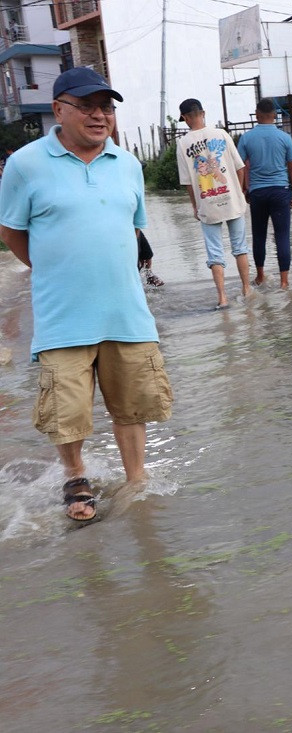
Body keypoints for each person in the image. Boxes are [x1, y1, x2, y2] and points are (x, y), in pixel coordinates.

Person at [0, 67, 173, 521]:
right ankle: (76, 476)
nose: (100, 116)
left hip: (126, 311)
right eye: (88, 107)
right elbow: (12, 231)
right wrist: (55, 269)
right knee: (67, 409)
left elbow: (131, 228)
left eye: (107, 108)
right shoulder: (25, 164)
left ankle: (136, 483)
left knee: (132, 405)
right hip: (63, 315)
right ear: (59, 110)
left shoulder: (128, 164)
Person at [176, 98, 251, 309]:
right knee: (240, 248)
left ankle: (223, 298)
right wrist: (240, 191)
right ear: (203, 112)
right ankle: (246, 289)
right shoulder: (222, 134)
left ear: (184, 118)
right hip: (232, 200)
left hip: (207, 203)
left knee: (214, 253)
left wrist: (194, 206)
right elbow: (240, 167)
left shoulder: (183, 144)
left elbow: (188, 182)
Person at [237, 99, 292, 290]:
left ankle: (260, 276)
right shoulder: (285, 137)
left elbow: (239, 167)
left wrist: (244, 190)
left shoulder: (246, 138)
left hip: (257, 193)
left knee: (259, 236)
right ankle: (284, 282)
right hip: (281, 192)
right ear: (274, 115)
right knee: (282, 236)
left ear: (256, 115)